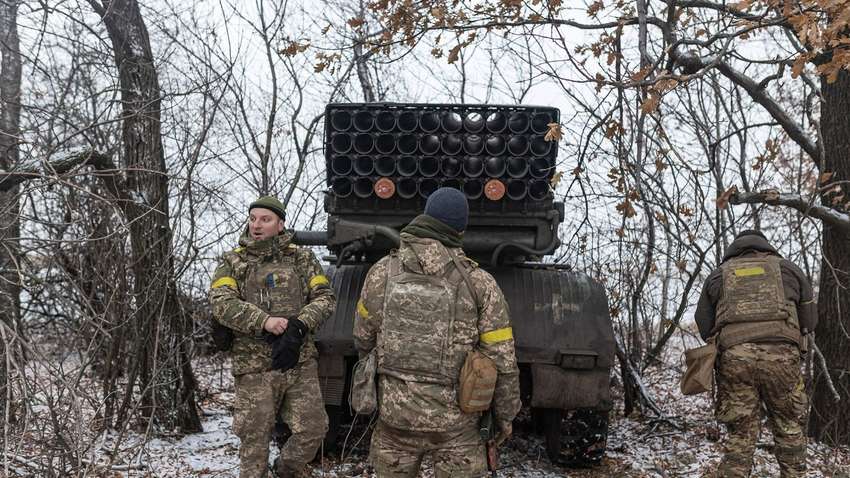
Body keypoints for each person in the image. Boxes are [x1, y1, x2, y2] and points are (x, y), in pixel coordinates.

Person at [353, 187, 521, 478]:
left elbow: (362, 338)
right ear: (460, 228)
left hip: (395, 419)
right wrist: (505, 419)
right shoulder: (479, 283)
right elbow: (502, 361)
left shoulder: (382, 272)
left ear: (426, 216)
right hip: (458, 426)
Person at [209, 196, 335, 478]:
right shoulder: (233, 262)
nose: (256, 225)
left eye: (265, 219)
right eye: (253, 219)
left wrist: (299, 325)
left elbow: (325, 298)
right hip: (254, 368)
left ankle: (286, 470)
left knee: (314, 429)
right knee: (254, 442)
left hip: (297, 361)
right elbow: (221, 303)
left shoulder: (302, 258)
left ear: (280, 225)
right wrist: (264, 321)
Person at [695, 229, 816, 478]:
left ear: (734, 249)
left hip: (735, 357)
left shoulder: (719, 275)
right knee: (789, 426)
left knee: (740, 433)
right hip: (782, 358)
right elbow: (810, 320)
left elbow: (703, 323)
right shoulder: (789, 270)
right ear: (766, 245)